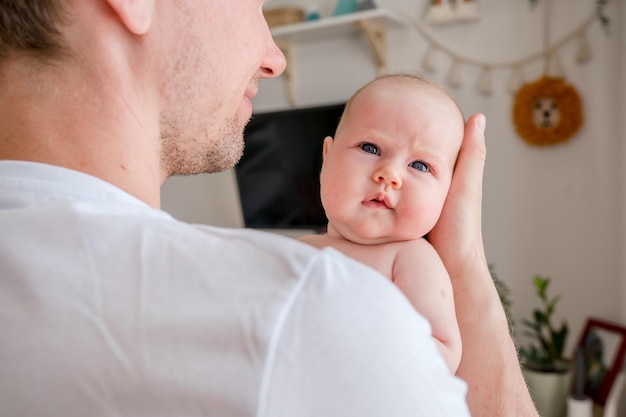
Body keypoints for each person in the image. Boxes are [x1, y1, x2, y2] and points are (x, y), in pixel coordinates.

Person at [0, 1, 538, 416]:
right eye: (254, 3)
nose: (274, 57)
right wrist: (465, 266)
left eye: (421, 167)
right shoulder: (310, 308)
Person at [299, 74, 464, 373]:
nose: (389, 174)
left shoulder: (409, 258)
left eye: (420, 165)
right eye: (370, 148)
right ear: (327, 157)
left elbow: (442, 353)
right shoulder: (294, 250)